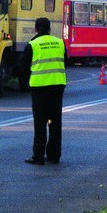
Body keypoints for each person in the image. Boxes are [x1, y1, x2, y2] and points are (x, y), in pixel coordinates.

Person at [22, 17, 67, 165]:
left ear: (36, 28)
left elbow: (24, 69)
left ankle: (38, 156)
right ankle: (54, 155)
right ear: (49, 29)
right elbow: (65, 63)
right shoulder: (60, 43)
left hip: (40, 88)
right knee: (55, 122)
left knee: (40, 123)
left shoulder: (32, 45)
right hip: (58, 86)